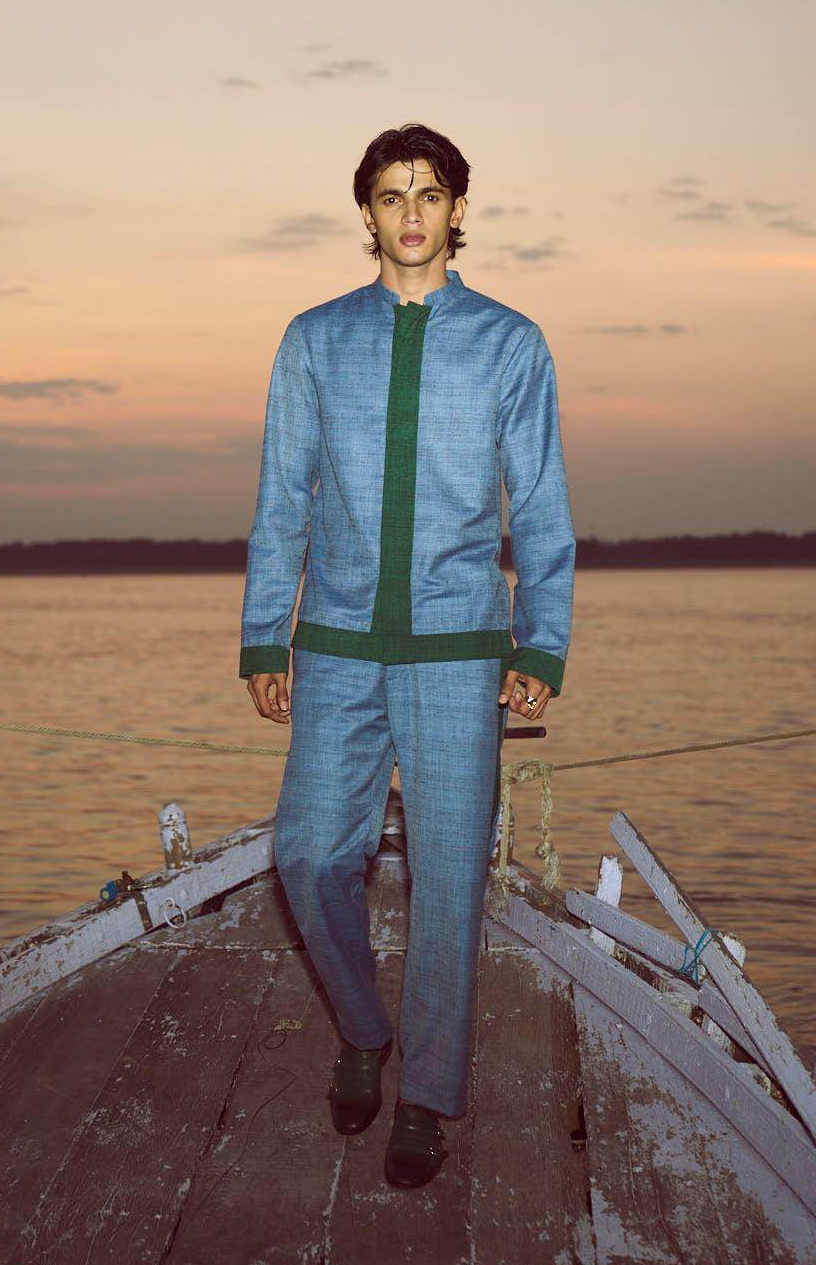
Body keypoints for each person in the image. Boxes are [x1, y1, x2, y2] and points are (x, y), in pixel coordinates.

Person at [238, 122, 575, 1189]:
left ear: (458, 211)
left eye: (430, 194)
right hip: (336, 644)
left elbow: (541, 504)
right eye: (392, 196)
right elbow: (281, 498)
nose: (412, 213)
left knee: (448, 881)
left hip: (458, 648)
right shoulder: (314, 339)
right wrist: (264, 632)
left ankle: (427, 1094)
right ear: (368, 214)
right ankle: (362, 1026)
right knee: (306, 855)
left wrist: (542, 643)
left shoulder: (510, 343)